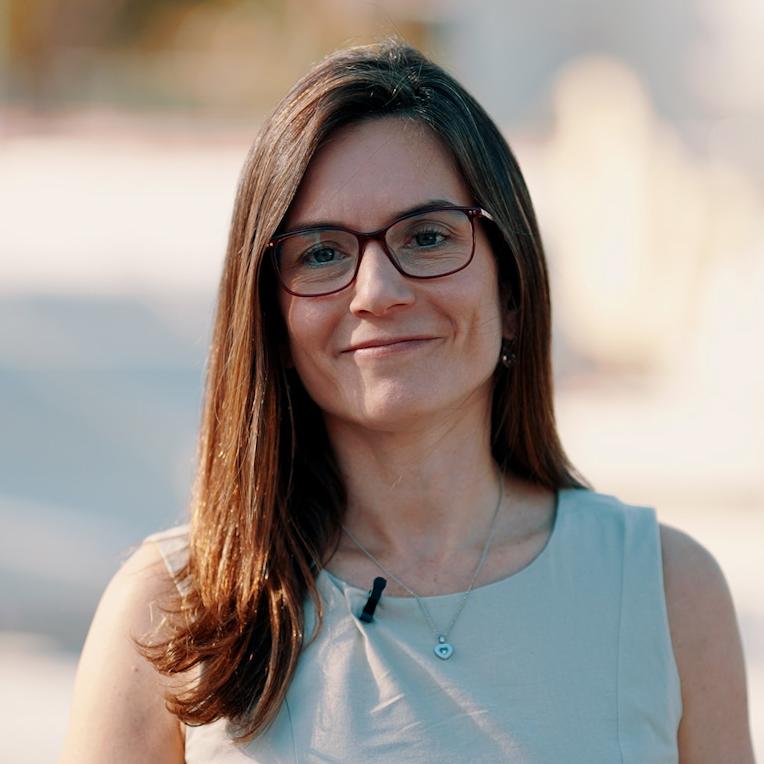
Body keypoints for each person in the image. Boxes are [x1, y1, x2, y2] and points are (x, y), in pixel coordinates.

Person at [61, 41, 756, 763]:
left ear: (512, 291)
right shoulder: (169, 611)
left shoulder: (668, 594)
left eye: (427, 237)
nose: (378, 293)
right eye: (322, 253)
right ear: (270, 316)